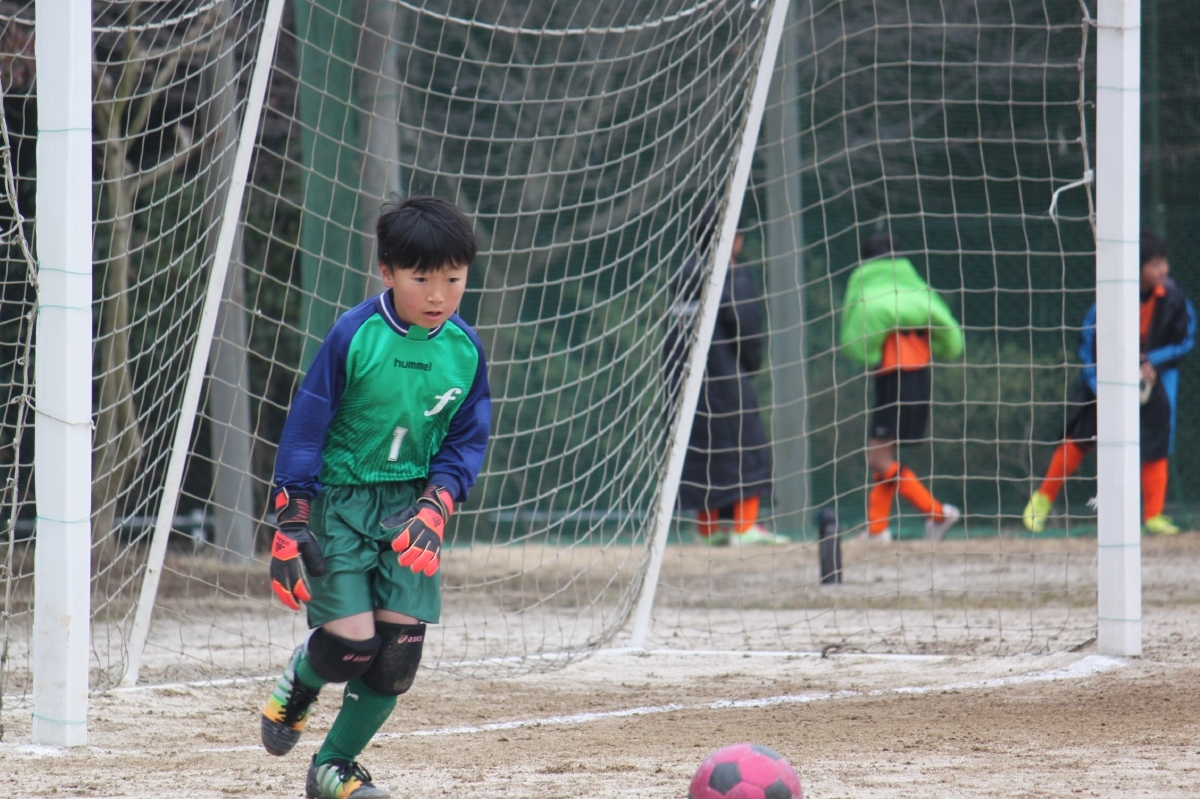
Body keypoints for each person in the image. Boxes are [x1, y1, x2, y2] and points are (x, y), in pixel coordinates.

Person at [259, 196, 490, 799]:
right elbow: (306, 428)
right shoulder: (354, 334)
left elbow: (465, 440)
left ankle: (332, 768)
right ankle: (302, 678)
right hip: (339, 505)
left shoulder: (465, 349)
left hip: (410, 511)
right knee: (350, 647)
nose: (438, 295)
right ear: (386, 271)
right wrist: (292, 518)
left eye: (453, 279)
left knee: (396, 659)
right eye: (421, 279)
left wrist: (438, 504)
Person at [1024, 230, 1194, 536]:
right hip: (1106, 381)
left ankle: (1153, 515)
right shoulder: (1111, 296)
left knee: (1157, 438)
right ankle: (1042, 500)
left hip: (1151, 379)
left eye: (1164, 262)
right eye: (1154, 264)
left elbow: (1185, 340)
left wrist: (1149, 362)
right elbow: (1087, 344)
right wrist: (1100, 385)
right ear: (1136, 267)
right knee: (1080, 436)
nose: (1163, 270)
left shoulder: (1174, 298)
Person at [665, 202, 784, 546]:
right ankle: (744, 528)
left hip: (683, 379)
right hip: (724, 377)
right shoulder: (731, 274)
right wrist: (750, 365)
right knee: (745, 443)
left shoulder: (682, 274)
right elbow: (747, 329)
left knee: (699, 447)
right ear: (734, 238)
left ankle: (708, 530)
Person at [839, 232, 964, 542]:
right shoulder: (919, 291)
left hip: (895, 379)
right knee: (882, 456)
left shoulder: (871, 292)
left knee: (878, 458)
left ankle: (938, 513)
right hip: (920, 380)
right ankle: (877, 530)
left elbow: (858, 344)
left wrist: (870, 354)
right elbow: (951, 341)